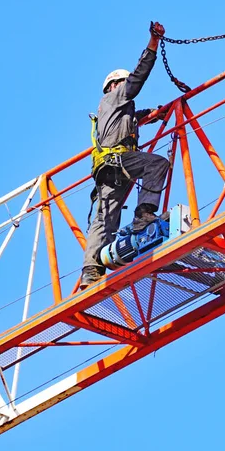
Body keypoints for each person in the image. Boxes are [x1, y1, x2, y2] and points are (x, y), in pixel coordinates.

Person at [80, 22, 170, 289]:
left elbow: (130, 120)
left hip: (108, 168)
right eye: (122, 83)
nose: (125, 87)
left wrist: (152, 114)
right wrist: (153, 43)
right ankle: (144, 214)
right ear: (113, 86)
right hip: (118, 162)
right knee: (157, 164)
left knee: (105, 218)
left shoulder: (112, 109)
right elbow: (137, 79)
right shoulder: (114, 97)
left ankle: (91, 271)